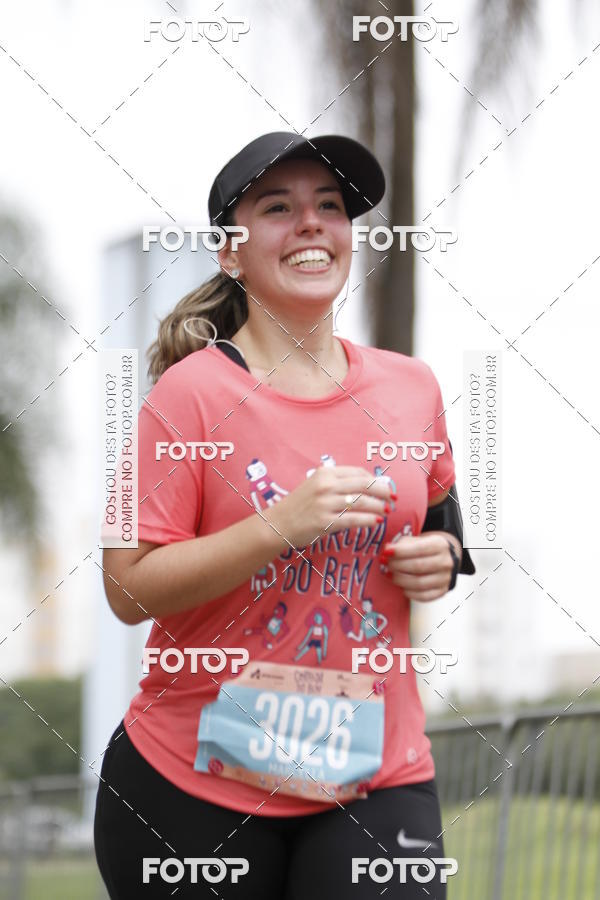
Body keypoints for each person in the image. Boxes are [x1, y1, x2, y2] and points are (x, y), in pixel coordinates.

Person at [94, 131, 475, 898]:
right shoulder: (189, 395)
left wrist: (443, 559)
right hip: (192, 786)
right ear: (230, 253)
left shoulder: (411, 387)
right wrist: (279, 525)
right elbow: (125, 589)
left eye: (329, 207)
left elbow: (441, 519)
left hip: (375, 774)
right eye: (278, 207)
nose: (310, 223)